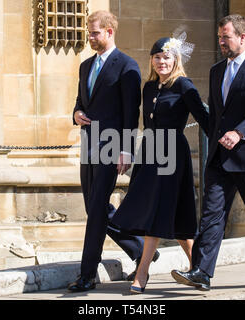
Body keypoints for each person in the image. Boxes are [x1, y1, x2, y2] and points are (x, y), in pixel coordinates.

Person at [171, 14, 245, 291]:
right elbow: (216, 115)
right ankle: (201, 271)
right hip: (220, 158)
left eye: (226, 37)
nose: (221, 41)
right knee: (211, 216)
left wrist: (239, 132)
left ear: (242, 38)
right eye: (220, 36)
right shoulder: (216, 70)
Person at [110, 34, 210, 294]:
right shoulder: (149, 88)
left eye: (166, 57)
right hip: (149, 152)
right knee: (172, 217)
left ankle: (142, 273)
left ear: (175, 59)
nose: (161, 62)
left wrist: (229, 141)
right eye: (157, 57)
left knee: (156, 213)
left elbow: (205, 119)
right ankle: (199, 269)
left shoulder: (184, 86)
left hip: (172, 156)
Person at [68, 10, 158, 293]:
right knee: (93, 208)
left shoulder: (126, 66)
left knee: (96, 209)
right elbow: (80, 100)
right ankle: (140, 248)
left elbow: (132, 112)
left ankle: (87, 274)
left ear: (109, 32)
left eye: (95, 33)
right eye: (89, 33)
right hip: (89, 146)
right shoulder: (85, 66)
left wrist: (126, 151)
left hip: (111, 147)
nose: (90, 38)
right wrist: (76, 114)